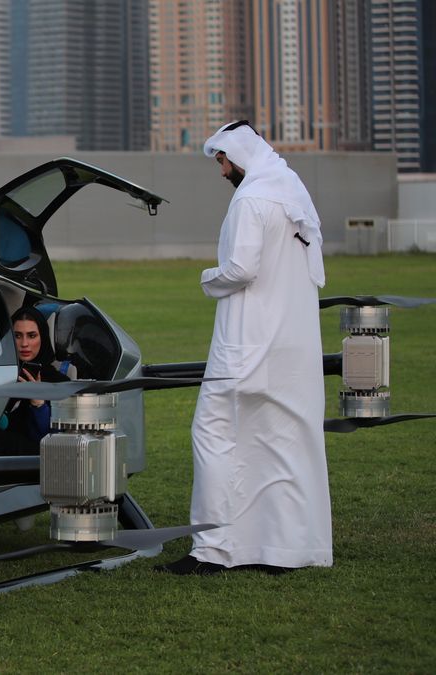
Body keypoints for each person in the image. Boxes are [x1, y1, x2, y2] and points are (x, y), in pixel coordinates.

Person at [156, 121, 332, 576]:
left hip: (247, 343)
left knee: (212, 433)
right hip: (293, 347)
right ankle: (286, 551)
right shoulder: (291, 192)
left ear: (237, 155)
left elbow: (240, 268)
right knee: (284, 442)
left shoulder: (251, 198)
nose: (221, 171)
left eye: (221, 160)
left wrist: (205, 278)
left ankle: (212, 550)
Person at [0, 307, 68, 454]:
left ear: (42, 338)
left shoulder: (58, 383)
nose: (24, 344)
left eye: (31, 336)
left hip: (32, 459)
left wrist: (38, 404)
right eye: (17, 336)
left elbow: (51, 441)